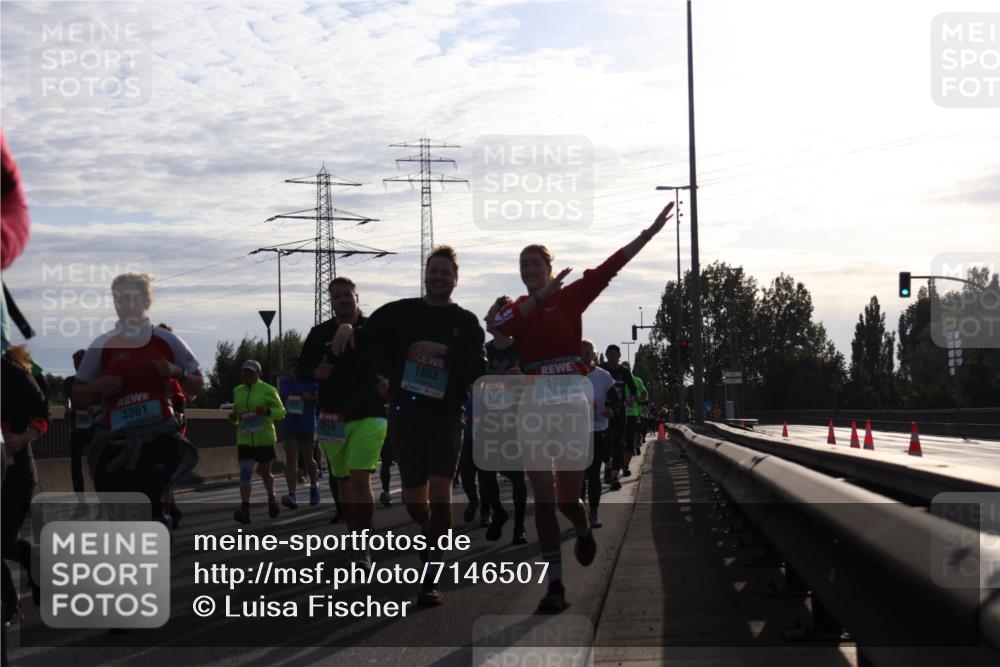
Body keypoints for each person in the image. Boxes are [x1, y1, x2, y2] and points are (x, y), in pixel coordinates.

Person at [492, 202, 675, 613]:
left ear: (549, 268)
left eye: (536, 263)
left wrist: (648, 234)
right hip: (534, 410)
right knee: (543, 499)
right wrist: (538, 299)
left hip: (571, 410)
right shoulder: (517, 309)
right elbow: (501, 326)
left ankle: (581, 527)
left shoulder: (571, 298)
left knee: (565, 501)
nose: (529, 269)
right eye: (524, 264)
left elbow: (611, 266)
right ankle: (555, 584)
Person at [331, 246, 487, 606]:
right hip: (406, 416)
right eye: (434, 271)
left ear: (456, 278)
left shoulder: (465, 322)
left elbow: (478, 366)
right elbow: (363, 340)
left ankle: (431, 575)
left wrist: (443, 351)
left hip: (446, 415)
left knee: (441, 490)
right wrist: (346, 326)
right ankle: (428, 527)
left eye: (446, 272)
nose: (439, 277)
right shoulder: (399, 313)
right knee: (416, 502)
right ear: (425, 274)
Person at [73, 273, 203, 525]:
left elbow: (196, 385)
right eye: (119, 299)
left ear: (146, 301)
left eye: (131, 298)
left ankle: (158, 520)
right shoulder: (103, 345)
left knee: (149, 509)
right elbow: (77, 393)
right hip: (117, 438)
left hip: (158, 436)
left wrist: (177, 372)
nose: (125, 305)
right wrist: (98, 385)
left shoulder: (166, 340)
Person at [299, 277, 388, 556]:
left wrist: (388, 381)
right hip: (332, 416)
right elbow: (301, 370)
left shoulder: (375, 329)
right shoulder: (319, 333)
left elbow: (394, 360)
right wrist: (315, 373)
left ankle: (363, 543)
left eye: (347, 294)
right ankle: (356, 528)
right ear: (331, 301)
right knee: (343, 481)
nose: (343, 300)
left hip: (369, 413)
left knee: (360, 477)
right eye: (336, 296)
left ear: (356, 297)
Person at [476, 295, 528, 545]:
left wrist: (523, 377)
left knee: (517, 476)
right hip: (488, 419)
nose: (485, 318)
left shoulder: (522, 349)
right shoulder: (483, 351)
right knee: (484, 472)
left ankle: (520, 527)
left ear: (504, 317)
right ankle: (498, 511)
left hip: (516, 420)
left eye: (490, 314)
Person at [1, 349, 48, 626]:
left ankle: (11, 603)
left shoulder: (15, 374)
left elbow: (43, 415)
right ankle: (10, 603)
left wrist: (22, 439)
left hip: (16, 472)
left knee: (3, 543)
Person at [228, 360, 286, 524]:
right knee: (245, 474)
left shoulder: (268, 390)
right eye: (245, 372)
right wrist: (233, 418)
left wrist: (267, 411)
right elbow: (238, 417)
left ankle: (272, 497)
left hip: (264, 439)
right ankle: (245, 510)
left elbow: (282, 412)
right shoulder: (237, 391)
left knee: (265, 473)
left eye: (251, 372)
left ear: (259, 374)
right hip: (244, 439)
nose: (247, 375)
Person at [579, 339, 619, 529]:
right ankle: (580, 512)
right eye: (580, 354)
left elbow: (614, 399)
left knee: (593, 473)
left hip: (598, 430)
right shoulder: (569, 375)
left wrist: (610, 409)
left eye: (587, 353)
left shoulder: (603, 376)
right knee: (579, 474)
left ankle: (594, 512)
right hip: (575, 431)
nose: (584, 357)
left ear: (594, 355)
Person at [279, 356, 320, 508]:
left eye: (297, 365)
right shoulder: (285, 382)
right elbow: (280, 402)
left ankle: (314, 486)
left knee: (308, 460)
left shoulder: (311, 382)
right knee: (291, 460)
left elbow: (319, 400)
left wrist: (311, 398)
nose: (295, 368)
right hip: (290, 425)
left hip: (307, 425)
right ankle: (292, 495)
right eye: (292, 365)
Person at [63, 349, 100, 495]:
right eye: (75, 362)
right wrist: (67, 408)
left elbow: (106, 404)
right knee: (75, 465)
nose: (76, 365)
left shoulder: (97, 381)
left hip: (95, 428)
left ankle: (102, 497)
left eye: (79, 362)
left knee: (97, 463)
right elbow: (67, 399)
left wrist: (96, 408)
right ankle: (80, 500)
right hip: (76, 427)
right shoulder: (69, 381)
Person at [601, 345, 637, 487]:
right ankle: (607, 467)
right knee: (605, 443)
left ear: (619, 356)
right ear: (606, 355)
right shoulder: (601, 369)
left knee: (618, 442)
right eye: (610, 353)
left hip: (620, 411)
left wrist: (630, 400)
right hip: (603, 412)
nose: (613, 356)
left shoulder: (624, 371)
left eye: (615, 354)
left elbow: (633, 390)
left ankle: (615, 475)